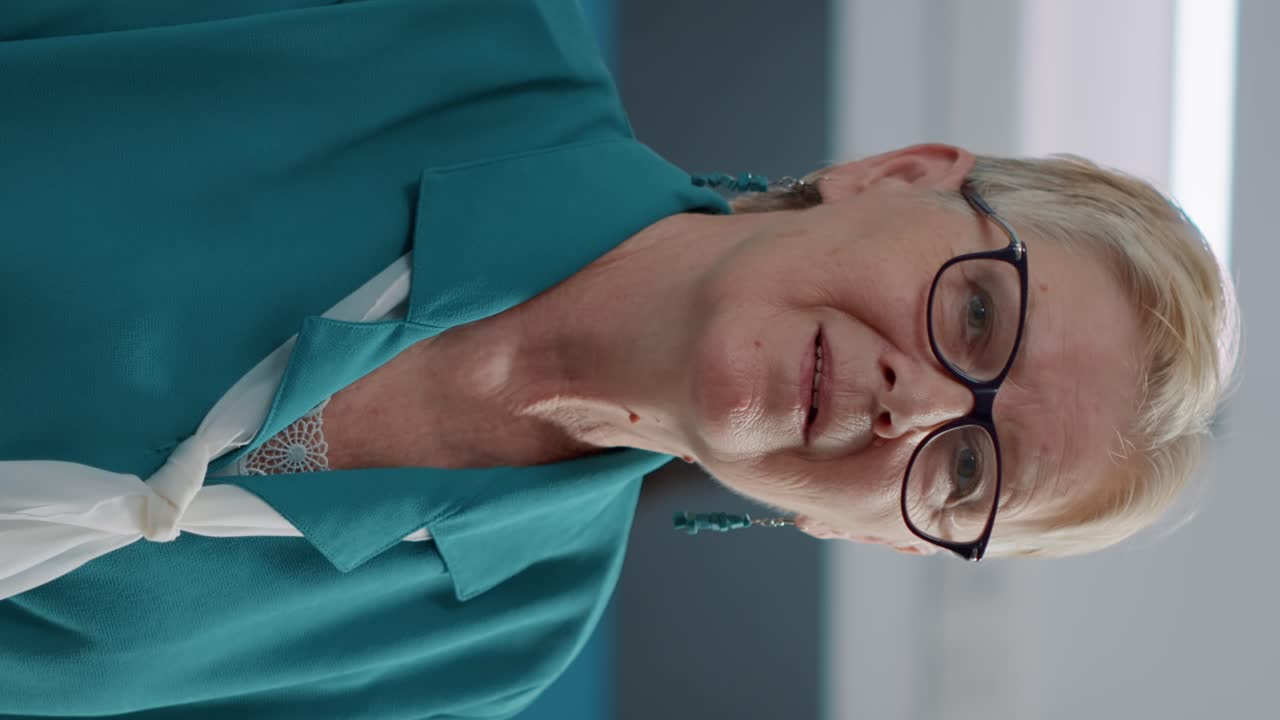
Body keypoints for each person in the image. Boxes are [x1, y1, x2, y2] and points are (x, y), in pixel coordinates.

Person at [0, 0, 1236, 717]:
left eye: (970, 473)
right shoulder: (445, 28)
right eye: (976, 320)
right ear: (895, 178)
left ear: (879, 538)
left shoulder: (495, 647)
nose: (915, 412)